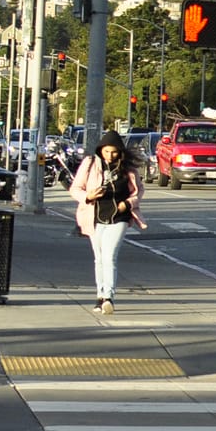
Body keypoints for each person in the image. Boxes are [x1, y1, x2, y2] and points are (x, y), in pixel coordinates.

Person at [69, 132, 146, 314]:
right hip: (94, 216)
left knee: (110, 256)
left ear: (120, 152)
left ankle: (109, 297)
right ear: (100, 150)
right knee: (99, 257)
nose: (110, 156)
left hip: (119, 217)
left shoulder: (128, 168)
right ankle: (100, 295)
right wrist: (88, 196)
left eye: (114, 152)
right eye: (107, 152)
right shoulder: (90, 164)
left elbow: (139, 191)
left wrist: (128, 203)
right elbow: (75, 188)